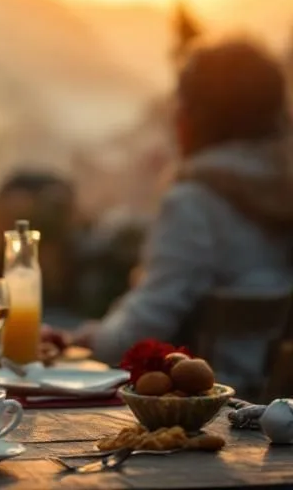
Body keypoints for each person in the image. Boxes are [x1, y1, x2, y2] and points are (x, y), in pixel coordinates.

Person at [67, 38, 293, 398]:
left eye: (182, 103)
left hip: (209, 406)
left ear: (198, 116)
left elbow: (142, 327)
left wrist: (92, 338)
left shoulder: (194, 201)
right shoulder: (282, 188)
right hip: (276, 410)